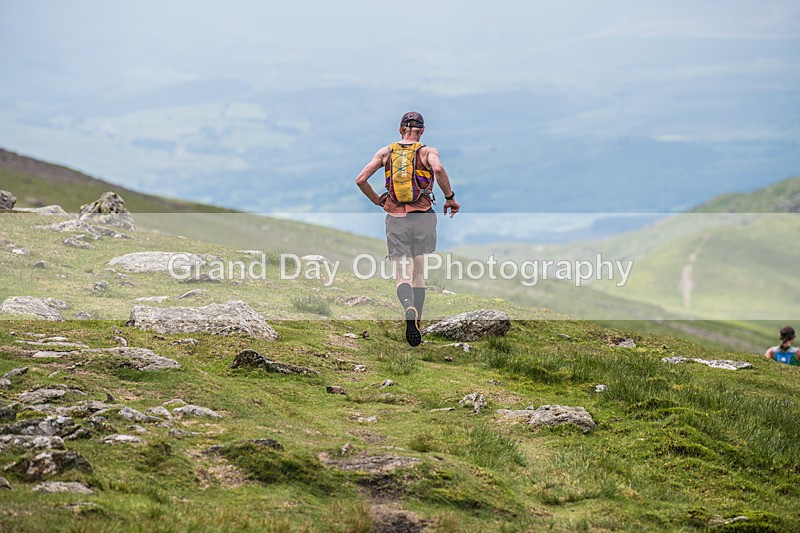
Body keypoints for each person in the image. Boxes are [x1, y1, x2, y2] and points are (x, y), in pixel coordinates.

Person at [356, 111, 460, 346]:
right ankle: (417, 322)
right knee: (418, 274)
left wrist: (377, 200)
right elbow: (439, 170)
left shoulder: (385, 152)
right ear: (422, 131)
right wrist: (450, 197)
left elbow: (361, 179)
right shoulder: (427, 152)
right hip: (423, 217)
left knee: (402, 274)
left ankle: (407, 306)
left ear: (400, 129)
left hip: (396, 218)